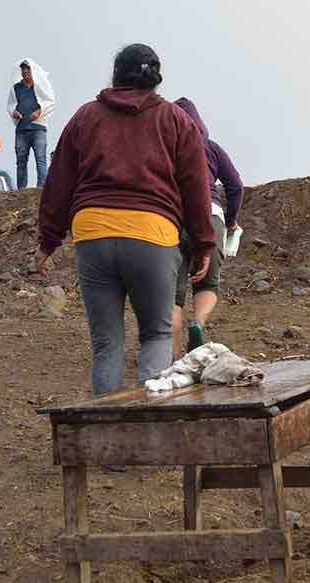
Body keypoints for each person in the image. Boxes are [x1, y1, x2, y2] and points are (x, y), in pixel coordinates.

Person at [37, 43, 215, 394]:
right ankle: (148, 428)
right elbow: (196, 186)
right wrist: (204, 243)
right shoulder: (176, 120)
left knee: (106, 345)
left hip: (93, 233)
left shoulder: (85, 117)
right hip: (153, 233)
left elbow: (59, 182)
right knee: (157, 334)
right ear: (156, 80)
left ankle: (106, 432)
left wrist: (48, 240)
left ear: (116, 76)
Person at [171, 98, 244, 355]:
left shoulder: (166, 148)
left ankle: (174, 358)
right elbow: (235, 186)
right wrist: (232, 220)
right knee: (207, 285)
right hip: (211, 217)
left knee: (173, 295)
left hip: (173, 221)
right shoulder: (211, 148)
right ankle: (198, 322)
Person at [7, 58, 56, 189]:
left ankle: (41, 189)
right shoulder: (16, 88)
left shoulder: (40, 86)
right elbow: (11, 104)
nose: (25, 71)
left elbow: (50, 102)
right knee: (21, 161)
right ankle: (21, 190)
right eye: (23, 69)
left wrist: (39, 111)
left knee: (40, 159)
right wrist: (14, 112)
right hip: (22, 129)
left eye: (27, 68)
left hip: (38, 128)